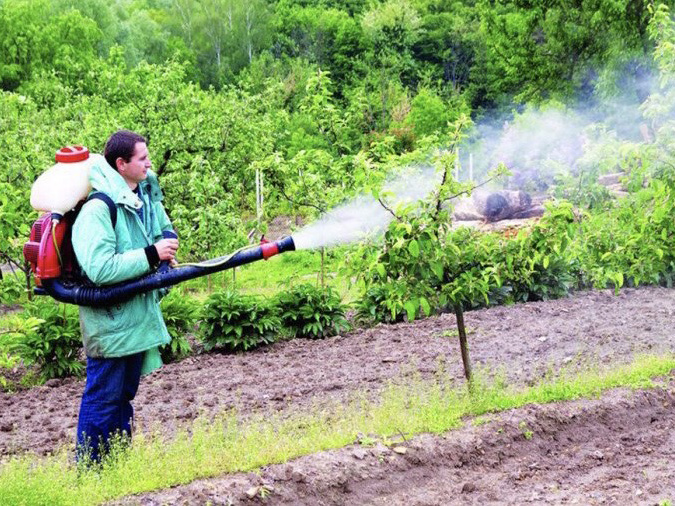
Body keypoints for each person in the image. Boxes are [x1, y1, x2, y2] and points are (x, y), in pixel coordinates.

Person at [72, 130, 179, 463]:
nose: (150, 163)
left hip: (134, 318)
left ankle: (117, 464)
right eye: (142, 158)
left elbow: (163, 226)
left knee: (123, 397)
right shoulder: (99, 209)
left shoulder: (142, 193)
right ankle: (89, 471)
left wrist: (168, 247)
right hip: (111, 323)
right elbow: (100, 268)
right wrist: (152, 255)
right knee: (104, 398)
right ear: (121, 164)